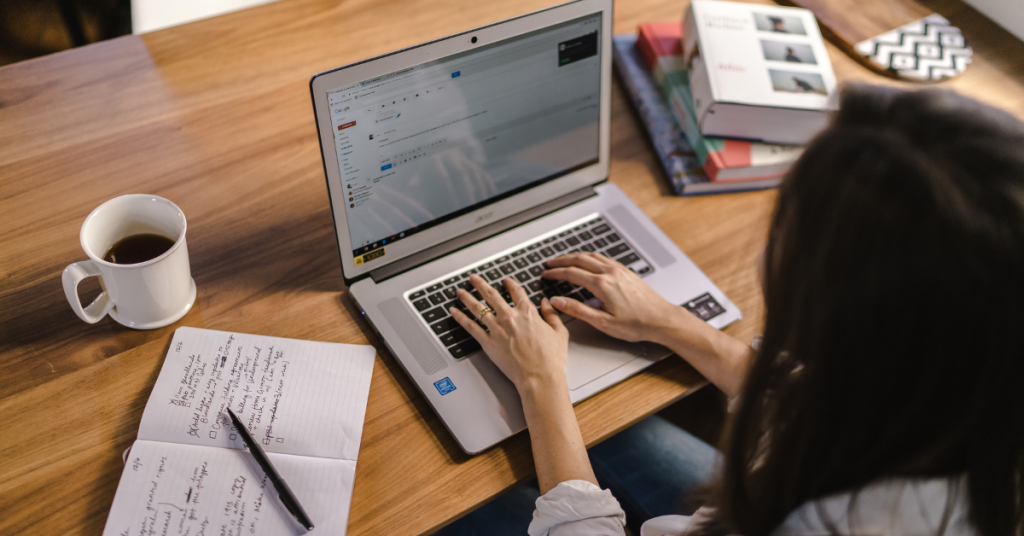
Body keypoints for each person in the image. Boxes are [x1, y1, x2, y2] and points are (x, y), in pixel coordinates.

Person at [437, 85, 1024, 536]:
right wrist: (670, 323)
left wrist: (541, 383)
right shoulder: (965, 395)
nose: (769, 244)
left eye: (787, 220)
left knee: (467, 506)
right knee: (613, 435)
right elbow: (810, 395)